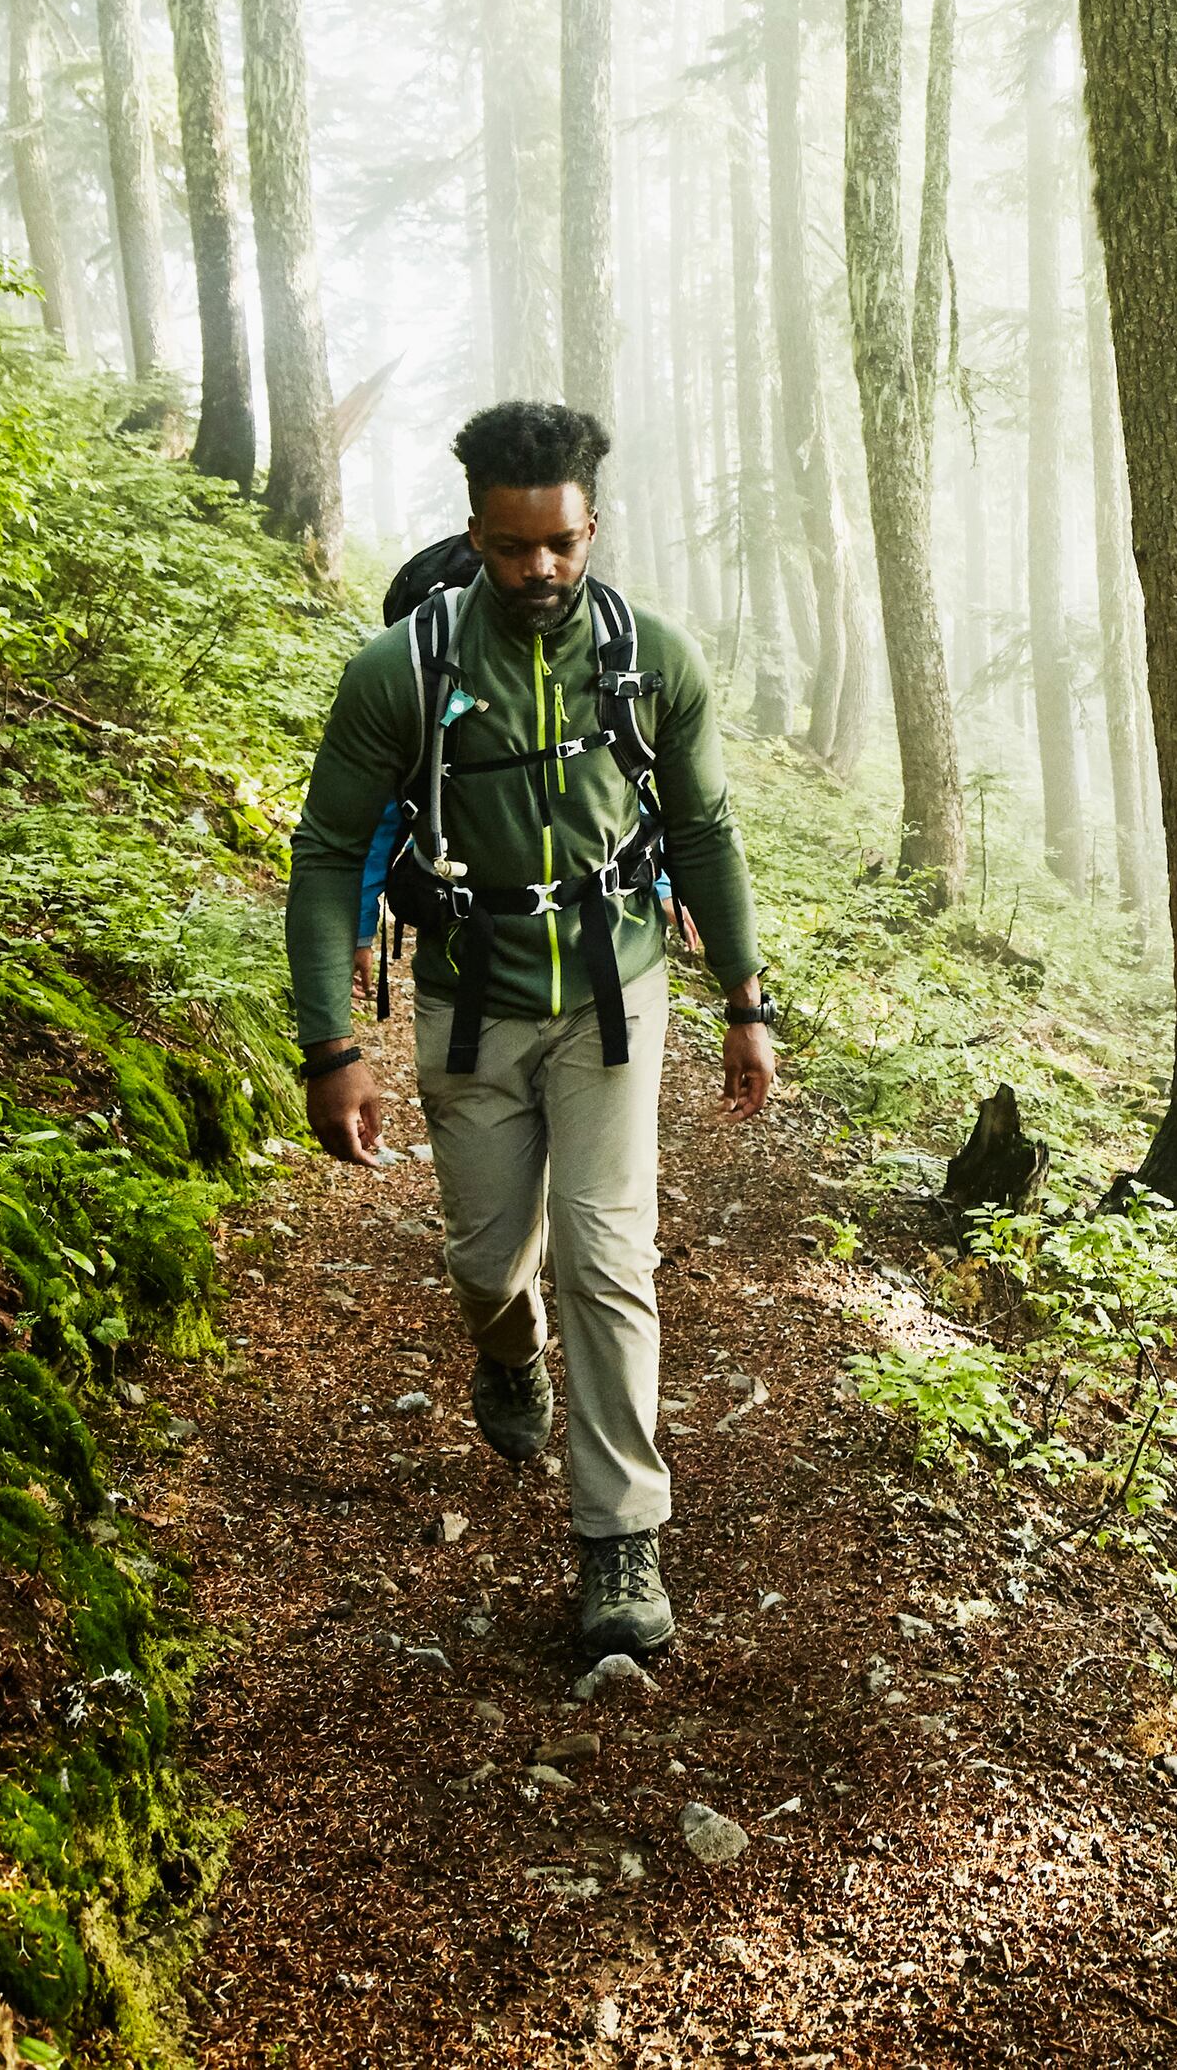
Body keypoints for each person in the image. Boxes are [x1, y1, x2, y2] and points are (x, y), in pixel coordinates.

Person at [285, 400, 777, 1664]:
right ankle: (509, 1359)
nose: (539, 571)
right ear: (475, 533)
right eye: (512, 549)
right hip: (466, 1001)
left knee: (609, 1261)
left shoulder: (652, 658)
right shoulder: (400, 669)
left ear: (590, 526)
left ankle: (620, 1535)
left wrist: (744, 1002)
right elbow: (330, 846)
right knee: (486, 1259)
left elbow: (709, 831)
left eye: (559, 543)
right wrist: (329, 1046)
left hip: (615, 995)